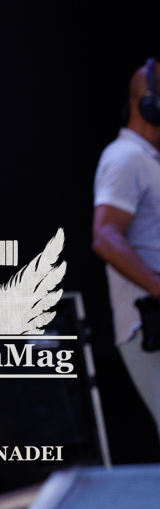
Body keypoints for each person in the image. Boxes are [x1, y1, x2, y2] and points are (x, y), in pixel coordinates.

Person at [91, 59, 160, 438]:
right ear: (149, 103)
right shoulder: (125, 158)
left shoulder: (149, 161)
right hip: (149, 324)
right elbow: (105, 236)